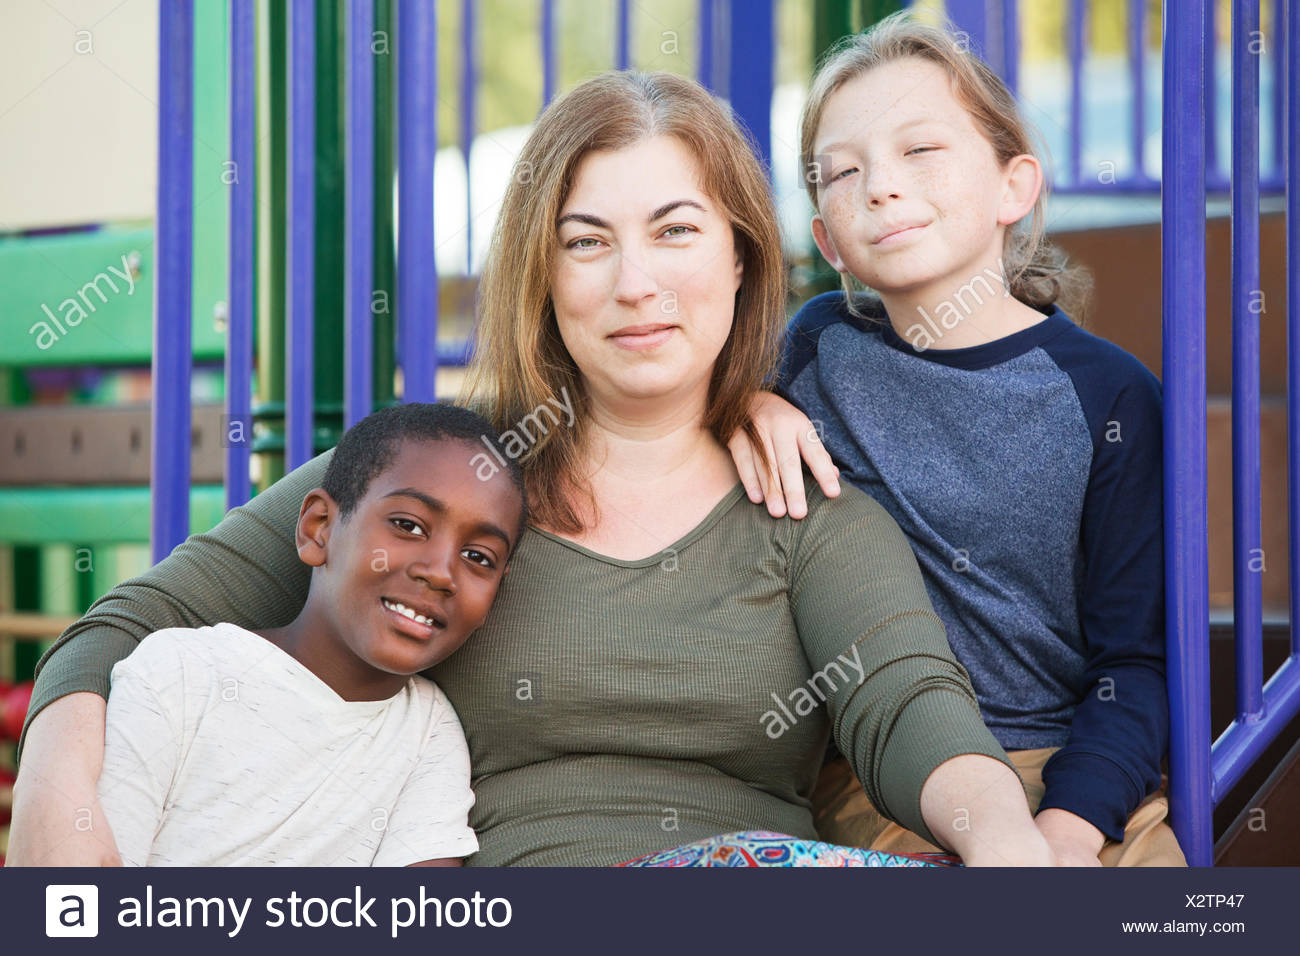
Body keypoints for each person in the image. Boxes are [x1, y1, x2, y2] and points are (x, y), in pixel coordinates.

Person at [11, 71, 1056, 869]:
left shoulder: (807, 507)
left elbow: (911, 710)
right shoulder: (433, 482)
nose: (635, 282)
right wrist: (60, 808)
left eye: (675, 231)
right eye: (586, 241)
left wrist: (1003, 839)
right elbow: (125, 625)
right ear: (541, 275)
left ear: (739, 257)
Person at [728, 13, 1184, 867]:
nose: (880, 187)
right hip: (882, 775)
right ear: (828, 241)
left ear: (1015, 186)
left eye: (921, 150)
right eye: (843, 172)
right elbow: (682, 416)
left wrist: (1066, 831)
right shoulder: (817, 350)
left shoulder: (1109, 395)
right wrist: (751, 407)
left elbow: (1136, 660)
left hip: (1071, 772)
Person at [89, 403, 527, 866]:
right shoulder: (180, 673)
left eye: (479, 557)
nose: (440, 573)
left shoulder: (429, 732)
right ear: (319, 529)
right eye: (408, 526)